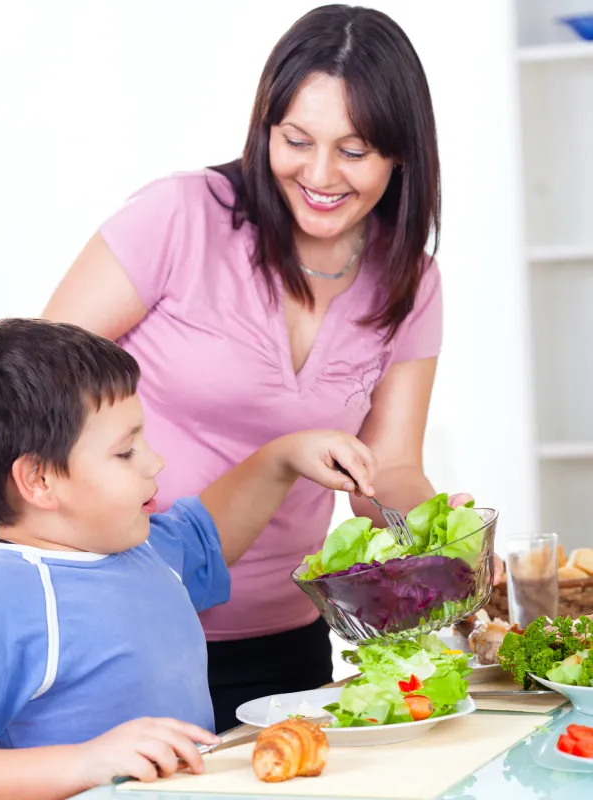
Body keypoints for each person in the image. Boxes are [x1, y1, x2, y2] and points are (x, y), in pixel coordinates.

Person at [43, 4, 482, 731]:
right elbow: (35, 387)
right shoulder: (183, 216)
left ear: (401, 152)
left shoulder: (410, 280)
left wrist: (436, 541)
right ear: (266, 130)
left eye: (354, 149)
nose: (318, 174)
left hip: (285, 637)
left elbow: (392, 468)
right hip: (130, 628)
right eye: (296, 140)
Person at [0, 318, 377, 800]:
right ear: (41, 480)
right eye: (126, 452)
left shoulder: (145, 550)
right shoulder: (10, 597)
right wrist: (83, 762)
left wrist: (284, 458)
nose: (155, 462)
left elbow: (210, 531)